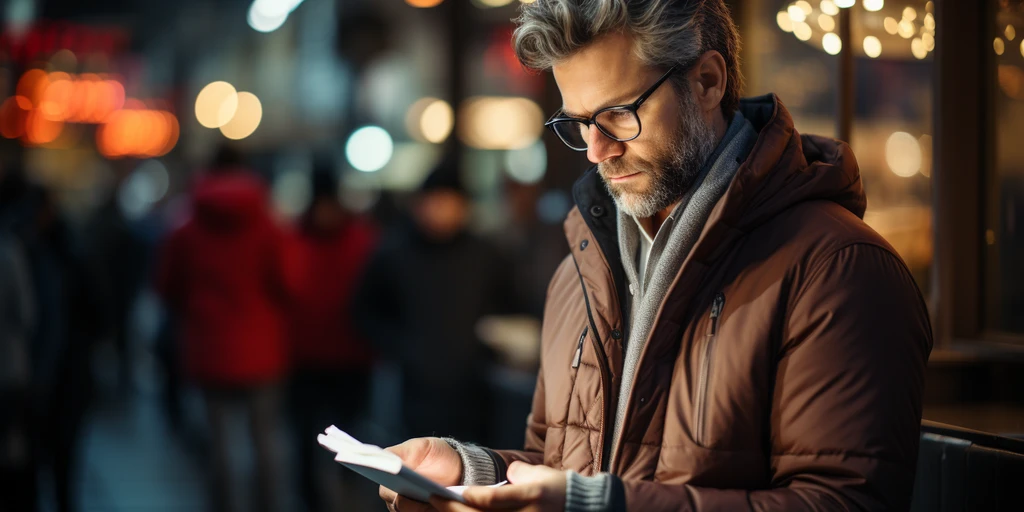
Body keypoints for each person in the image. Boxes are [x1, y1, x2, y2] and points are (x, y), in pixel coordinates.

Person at [379, 1, 933, 511]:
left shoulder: (839, 269)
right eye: (578, 123)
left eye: (619, 113)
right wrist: (471, 472)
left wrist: (600, 504)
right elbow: (556, 467)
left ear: (708, 82)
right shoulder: (581, 269)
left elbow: (843, 505)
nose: (597, 150)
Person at [155, 146, 291, 512]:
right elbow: (288, 282)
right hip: (261, 349)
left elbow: (167, 286)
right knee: (265, 442)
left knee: (221, 446)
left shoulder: (187, 226)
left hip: (209, 349)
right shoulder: (268, 224)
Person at [353, 160, 515, 444]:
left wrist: (491, 344)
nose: (441, 211)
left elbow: (513, 307)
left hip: (474, 389)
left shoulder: (486, 255)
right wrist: (401, 347)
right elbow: (365, 311)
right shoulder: (394, 253)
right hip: (414, 390)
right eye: (434, 202)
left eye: (449, 203)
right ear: (419, 205)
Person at [286, 162, 379, 512]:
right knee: (305, 443)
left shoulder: (362, 240)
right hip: (306, 358)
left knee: (350, 441)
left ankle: (348, 497)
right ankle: (313, 501)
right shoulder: (296, 238)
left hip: (350, 358)